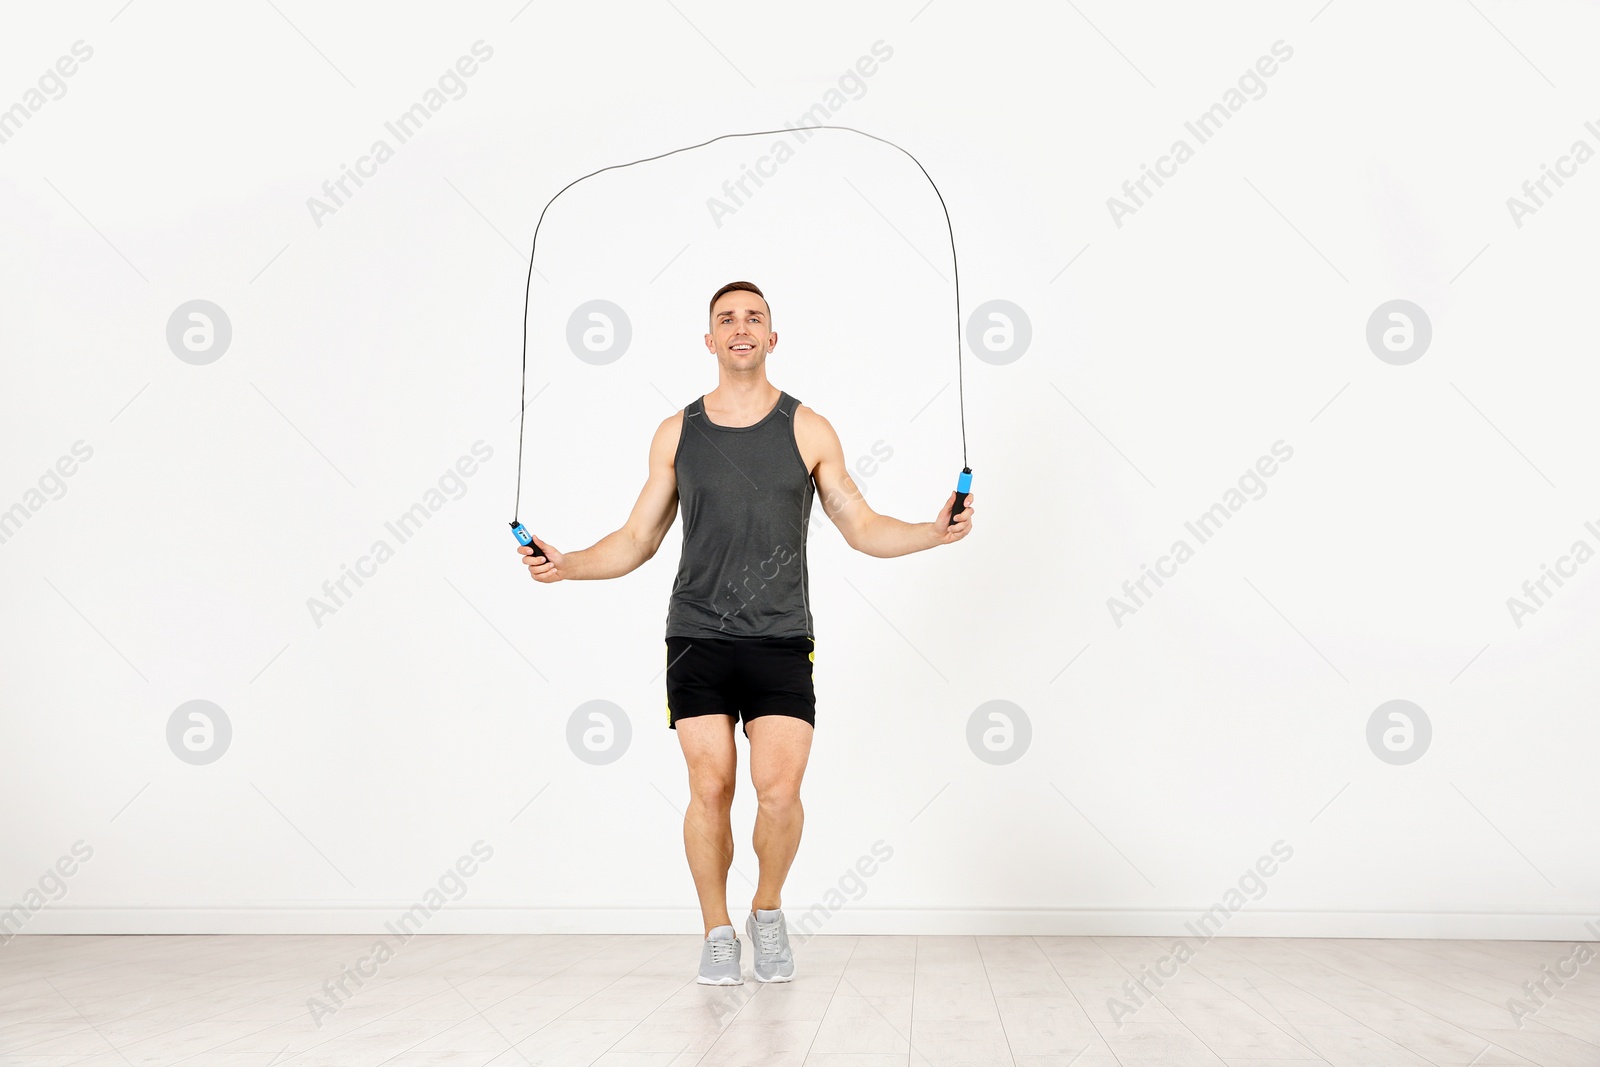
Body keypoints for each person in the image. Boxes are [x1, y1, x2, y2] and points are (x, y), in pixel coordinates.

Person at [515, 280, 975, 984]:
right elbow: (637, 536)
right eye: (726, 319)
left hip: (781, 635)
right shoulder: (677, 432)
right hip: (697, 634)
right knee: (710, 787)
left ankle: (766, 908)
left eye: (753, 317)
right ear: (709, 340)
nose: (740, 327)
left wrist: (931, 533)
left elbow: (860, 522)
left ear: (771, 336)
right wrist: (568, 563)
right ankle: (718, 930)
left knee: (780, 791)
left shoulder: (809, 428)